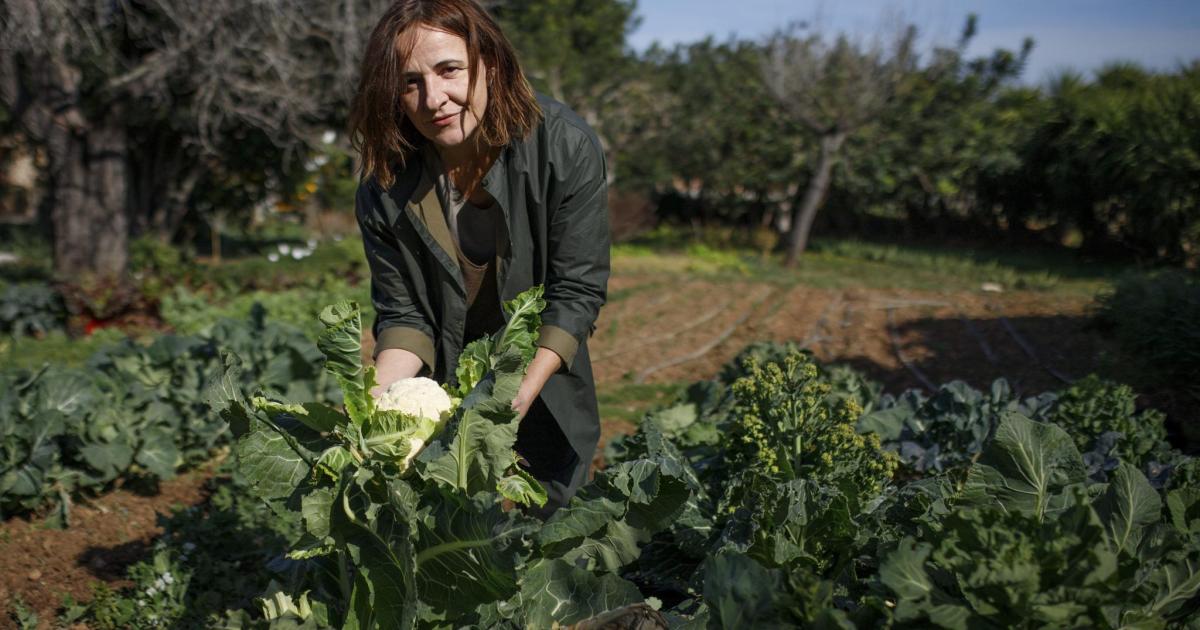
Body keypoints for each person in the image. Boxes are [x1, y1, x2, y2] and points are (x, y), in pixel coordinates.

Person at [347, 0, 610, 516]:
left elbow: (575, 293)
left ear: (489, 63)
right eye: (410, 83)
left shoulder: (563, 145)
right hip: (444, 388)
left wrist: (515, 396)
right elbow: (404, 315)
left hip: (544, 381)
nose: (434, 99)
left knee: (556, 534)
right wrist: (374, 402)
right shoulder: (384, 185)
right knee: (454, 545)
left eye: (449, 70)